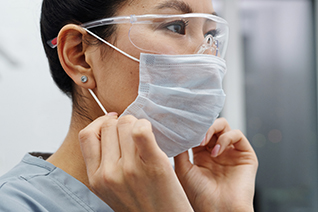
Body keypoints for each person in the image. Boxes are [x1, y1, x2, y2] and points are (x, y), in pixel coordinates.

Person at [0, 0, 258, 211]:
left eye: (210, 34)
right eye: (176, 26)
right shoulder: (15, 205)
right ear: (79, 55)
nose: (207, 56)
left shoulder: (190, 194)